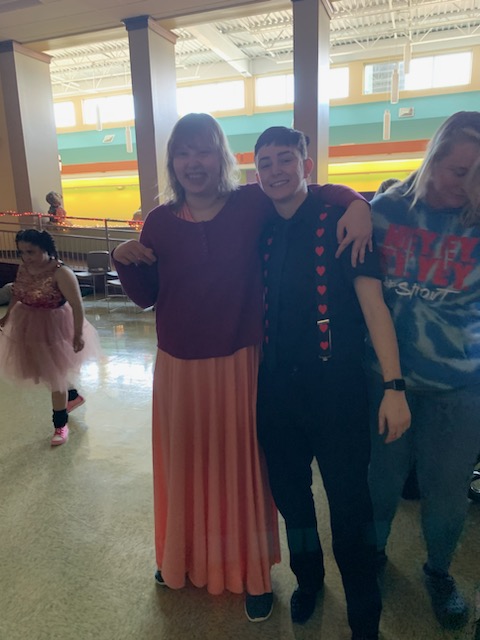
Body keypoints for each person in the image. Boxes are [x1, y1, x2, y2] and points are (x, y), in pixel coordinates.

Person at [112, 112, 375, 623]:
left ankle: (251, 573)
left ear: (221, 158)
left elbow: (316, 190)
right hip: (179, 369)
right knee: (186, 467)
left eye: (203, 151)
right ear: (172, 162)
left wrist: (359, 204)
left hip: (240, 364)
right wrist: (123, 257)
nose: (194, 162)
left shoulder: (251, 203)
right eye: (183, 153)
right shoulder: (160, 221)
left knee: (243, 475)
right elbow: (147, 297)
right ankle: (182, 557)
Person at [253, 126, 410, 640]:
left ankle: (364, 611)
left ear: (306, 165)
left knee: (349, 505)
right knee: (292, 500)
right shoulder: (261, 225)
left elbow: (374, 307)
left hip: (336, 390)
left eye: (285, 159)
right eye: (265, 163)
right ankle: (309, 578)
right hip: (276, 391)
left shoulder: (341, 221)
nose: (275, 170)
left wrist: (394, 386)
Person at [366, 111, 480, 631]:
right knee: (380, 483)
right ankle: (373, 556)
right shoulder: (385, 212)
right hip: (386, 379)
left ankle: (438, 571)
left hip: (459, 386)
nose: (467, 185)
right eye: (459, 171)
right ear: (434, 155)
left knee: (448, 493)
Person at [0, 229, 100, 445]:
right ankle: (72, 396)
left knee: (55, 376)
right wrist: (7, 316)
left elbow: (77, 305)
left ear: (45, 249)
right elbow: (17, 292)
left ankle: (60, 425)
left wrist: (78, 334)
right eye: (22, 252)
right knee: (45, 370)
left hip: (54, 325)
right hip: (27, 323)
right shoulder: (24, 267)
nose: (26, 257)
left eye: (31, 252)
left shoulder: (61, 272)